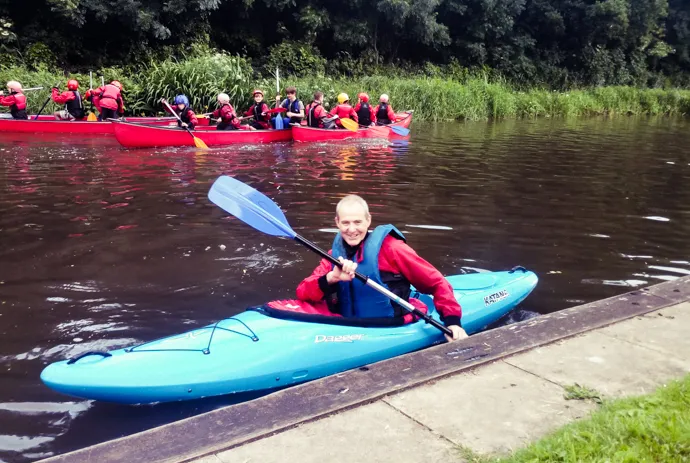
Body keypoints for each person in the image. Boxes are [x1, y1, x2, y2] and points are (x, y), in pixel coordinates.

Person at [296, 195, 467, 342]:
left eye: (358, 222)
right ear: (337, 223)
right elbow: (303, 293)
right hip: (348, 327)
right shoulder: (334, 256)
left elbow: (436, 282)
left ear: (368, 220)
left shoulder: (393, 249)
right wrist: (331, 278)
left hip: (390, 326)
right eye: (345, 223)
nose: (352, 229)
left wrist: (453, 321)